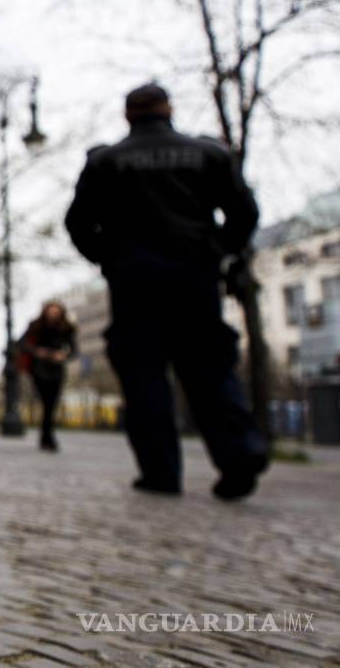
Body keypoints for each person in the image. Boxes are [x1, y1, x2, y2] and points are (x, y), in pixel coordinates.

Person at [64, 82, 267, 500]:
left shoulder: (106, 161)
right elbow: (244, 213)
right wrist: (218, 250)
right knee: (209, 367)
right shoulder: (208, 154)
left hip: (135, 279)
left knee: (144, 376)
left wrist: (109, 258)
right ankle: (238, 453)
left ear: (128, 115)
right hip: (195, 274)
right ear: (168, 109)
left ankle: (160, 471)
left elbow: (78, 223)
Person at [19, 302, 78, 452]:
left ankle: (47, 437)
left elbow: (74, 350)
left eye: (56, 311)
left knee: (51, 404)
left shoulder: (66, 328)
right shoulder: (36, 326)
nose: (53, 314)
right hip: (39, 369)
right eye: (51, 311)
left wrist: (63, 355)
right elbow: (22, 343)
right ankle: (47, 437)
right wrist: (38, 351)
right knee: (46, 402)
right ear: (45, 312)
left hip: (56, 369)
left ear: (61, 313)